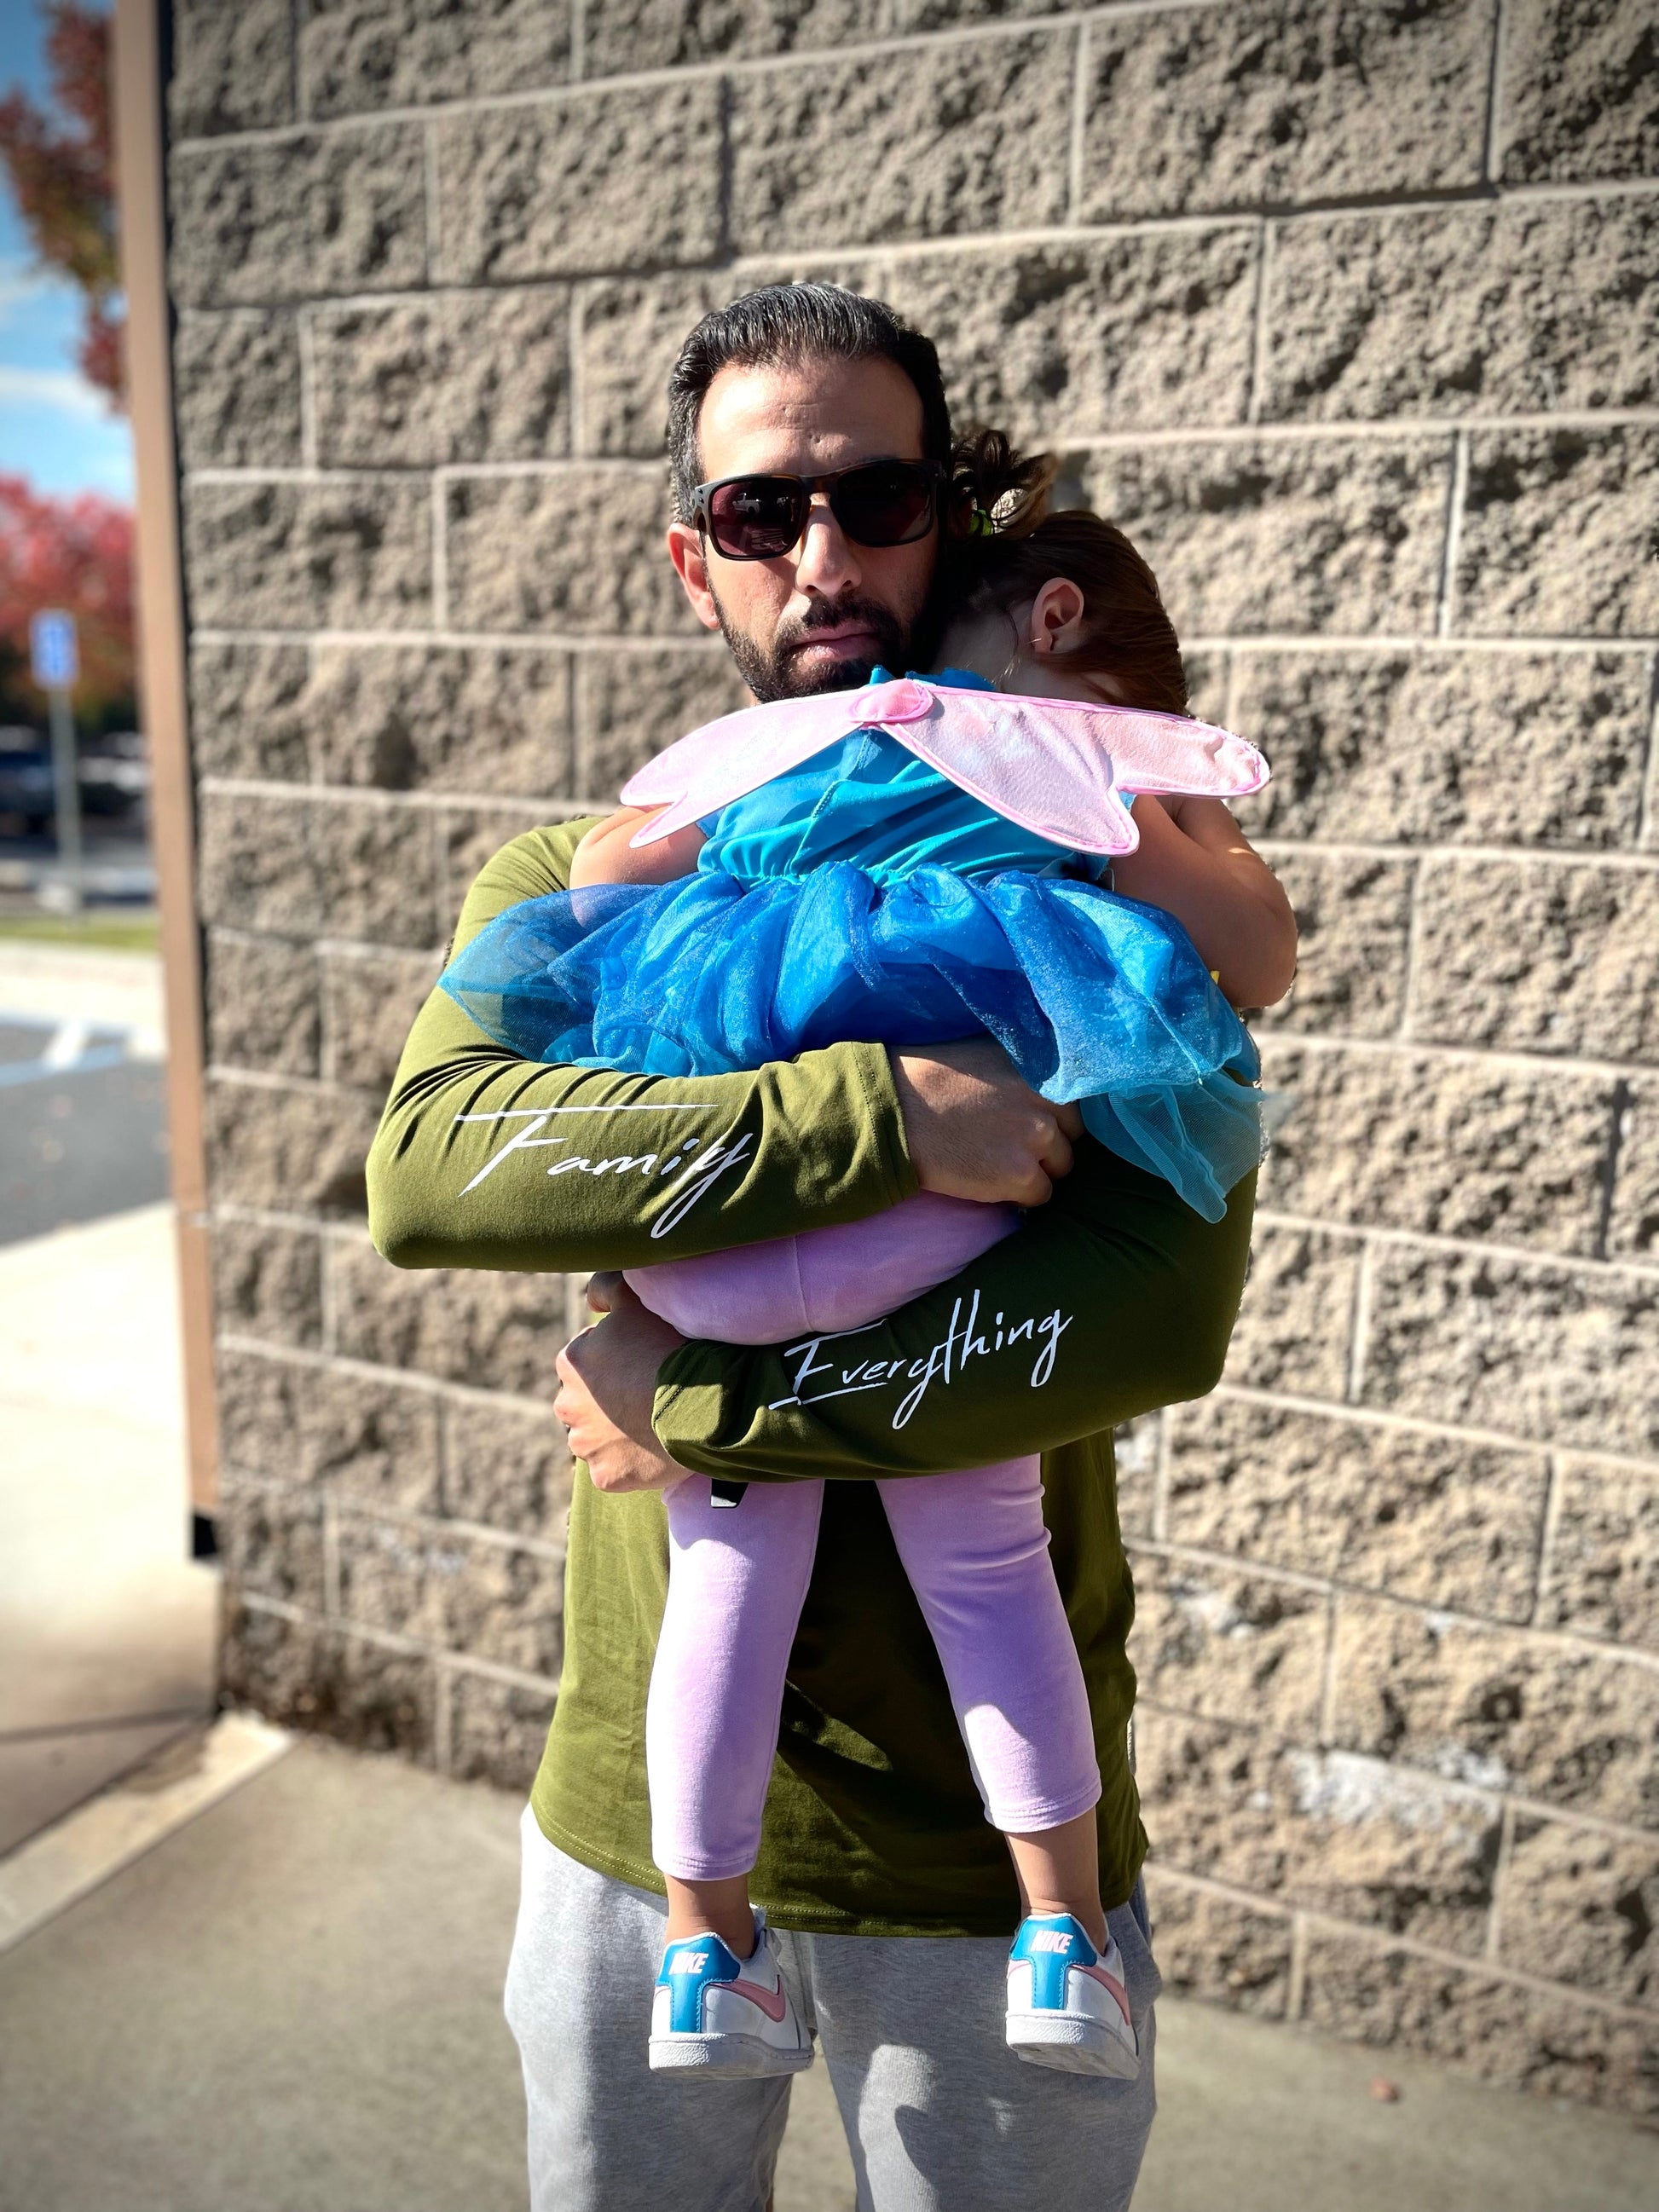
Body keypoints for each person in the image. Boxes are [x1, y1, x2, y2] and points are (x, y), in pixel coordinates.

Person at [365, 285, 1291, 2212]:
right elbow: (440, 1170)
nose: (825, 555)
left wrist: (690, 1394)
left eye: (877, 498)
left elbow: (1155, 1314)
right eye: (760, 511)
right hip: (631, 1845)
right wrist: (888, 1119)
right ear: (690, 558)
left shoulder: (1082, 882)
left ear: (945, 521)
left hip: (984, 1876)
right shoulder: (593, 867)